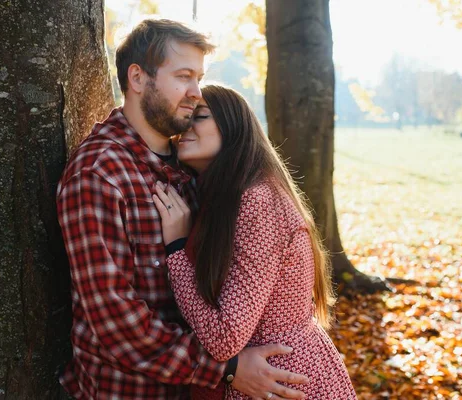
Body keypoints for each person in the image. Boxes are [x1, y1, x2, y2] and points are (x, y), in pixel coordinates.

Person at [56, 19, 310, 399]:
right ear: (138, 78)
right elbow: (116, 321)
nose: (195, 92)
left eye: (199, 77)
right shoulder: (100, 173)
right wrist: (226, 369)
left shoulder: (189, 164)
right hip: (132, 392)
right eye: (184, 76)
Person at [152, 85, 358, 399]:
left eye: (201, 116)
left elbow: (225, 338)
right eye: (184, 118)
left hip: (280, 381)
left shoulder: (257, 202)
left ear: (234, 128)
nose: (186, 126)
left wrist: (176, 249)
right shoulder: (229, 198)